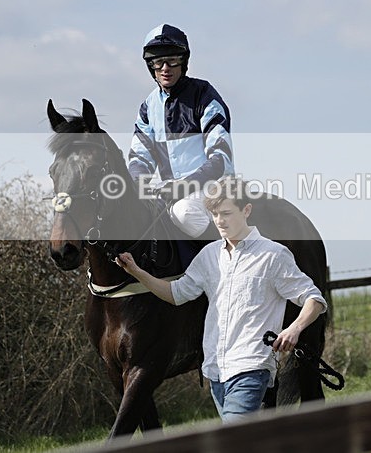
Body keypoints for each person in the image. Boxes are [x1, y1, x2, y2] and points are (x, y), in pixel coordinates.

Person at [114, 178, 327, 422]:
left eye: (226, 213)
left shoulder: (273, 255)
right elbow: (177, 293)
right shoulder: (209, 256)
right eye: (214, 214)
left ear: (246, 210)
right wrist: (138, 272)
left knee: (231, 442)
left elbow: (314, 299)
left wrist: (294, 329)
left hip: (251, 367)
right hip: (216, 373)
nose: (219, 221)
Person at [128, 23, 234, 239]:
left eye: (172, 60)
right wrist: (138, 185)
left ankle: (224, 258)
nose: (165, 68)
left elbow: (220, 156)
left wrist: (185, 185)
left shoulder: (204, 94)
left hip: (212, 185)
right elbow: (140, 157)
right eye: (158, 62)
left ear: (183, 62)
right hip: (170, 190)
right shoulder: (148, 106)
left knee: (185, 213)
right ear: (151, 66)